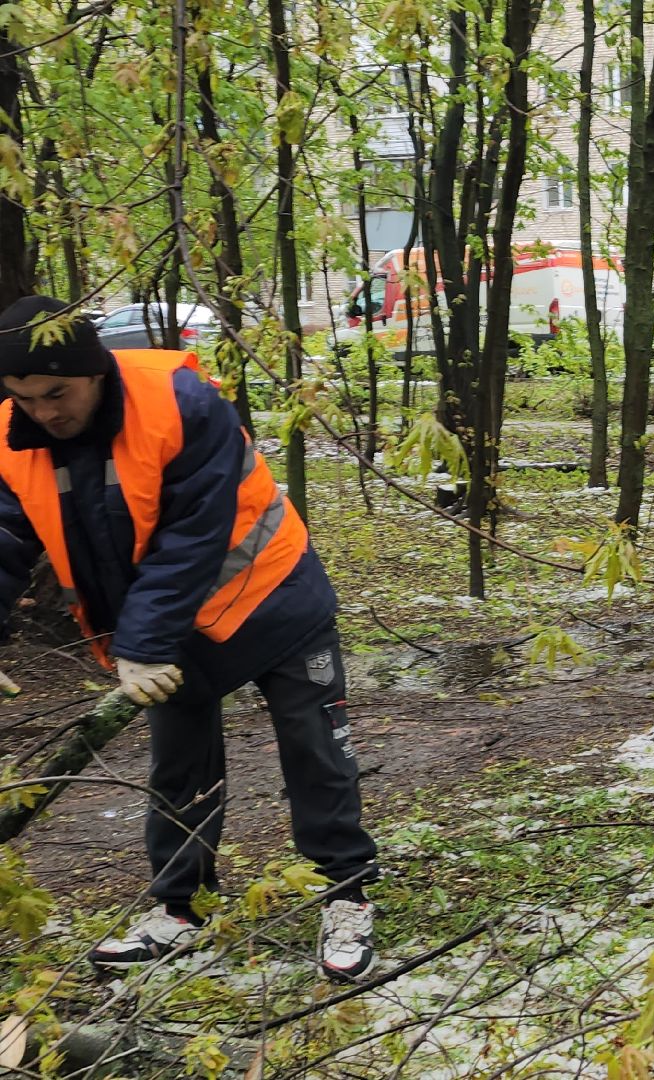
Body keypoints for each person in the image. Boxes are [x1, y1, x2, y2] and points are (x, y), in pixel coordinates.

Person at [0, 296, 378, 981]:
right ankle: (179, 909)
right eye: (24, 398)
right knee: (179, 768)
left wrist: (142, 645)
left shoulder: (182, 403)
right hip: (169, 625)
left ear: (95, 370)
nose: (44, 412)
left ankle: (345, 892)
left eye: (57, 393)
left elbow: (192, 538)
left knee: (314, 747)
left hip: (273, 600)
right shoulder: (12, 437)